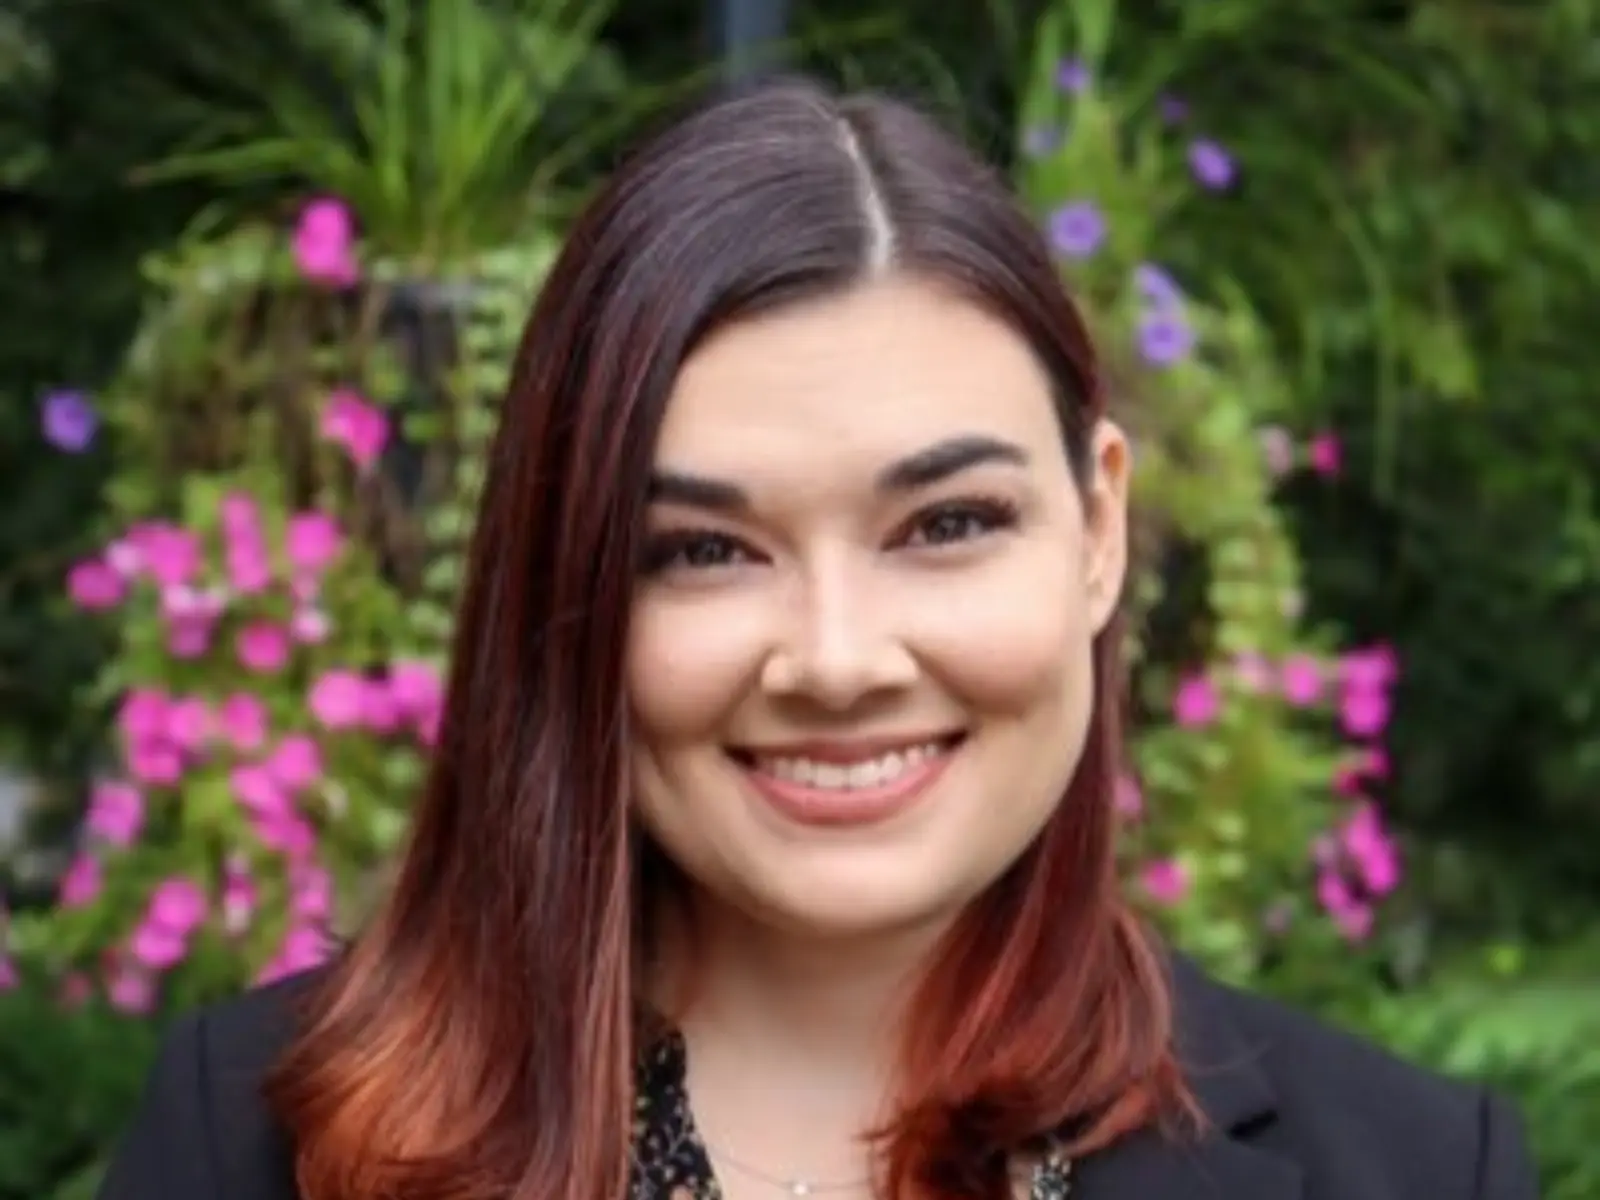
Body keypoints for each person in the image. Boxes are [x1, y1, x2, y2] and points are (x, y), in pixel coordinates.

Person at [97, 77, 1538, 1200]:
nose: (838, 661)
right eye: (703, 551)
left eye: (947, 524)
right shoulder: (247, 1144)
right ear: (569, 584)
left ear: (1099, 531)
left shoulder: (1418, 1170)